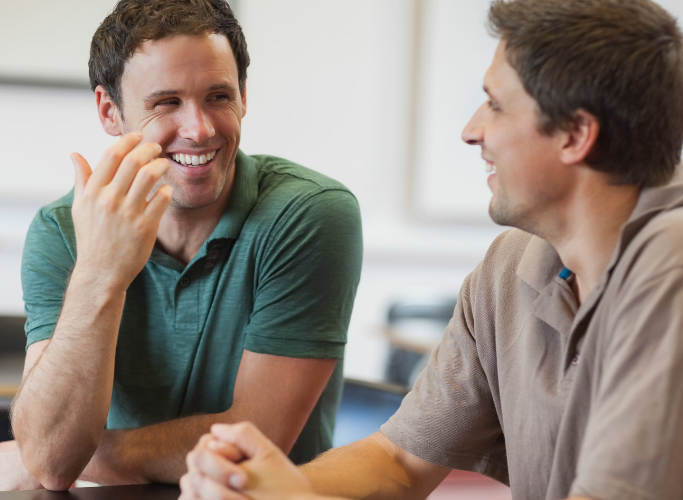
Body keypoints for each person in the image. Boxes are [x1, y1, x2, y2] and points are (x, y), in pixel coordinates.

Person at [179, 0, 683, 498]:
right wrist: (257, 487)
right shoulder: (511, 266)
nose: (472, 130)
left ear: (575, 134)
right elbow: (398, 462)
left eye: (497, 104)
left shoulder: (671, 264)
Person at [2, 0, 363, 491]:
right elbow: (50, 458)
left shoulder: (311, 213)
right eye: (166, 102)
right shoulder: (62, 229)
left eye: (218, 95)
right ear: (110, 111)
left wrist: (84, 455)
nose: (200, 129)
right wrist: (98, 272)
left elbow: (257, 441)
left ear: (243, 95)